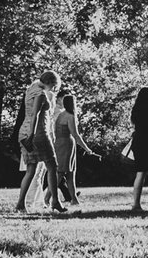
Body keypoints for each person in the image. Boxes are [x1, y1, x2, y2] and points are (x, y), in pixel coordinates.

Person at [16, 71, 64, 213]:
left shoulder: (31, 89)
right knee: (52, 166)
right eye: (54, 85)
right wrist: (31, 135)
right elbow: (35, 115)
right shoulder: (41, 94)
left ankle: (20, 203)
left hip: (23, 132)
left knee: (31, 169)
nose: (54, 88)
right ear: (50, 82)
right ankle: (55, 201)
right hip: (38, 133)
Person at [53, 94, 100, 205]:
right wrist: (87, 149)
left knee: (70, 173)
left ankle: (74, 199)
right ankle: (47, 198)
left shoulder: (61, 115)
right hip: (66, 145)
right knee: (61, 173)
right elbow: (75, 135)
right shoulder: (70, 116)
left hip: (61, 143)